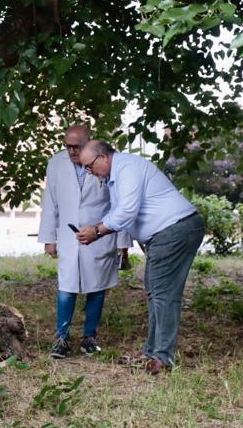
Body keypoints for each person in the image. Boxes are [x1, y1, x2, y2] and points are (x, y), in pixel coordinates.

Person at [77, 139, 205, 375]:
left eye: (89, 165)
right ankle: (153, 352)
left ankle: (162, 358)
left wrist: (96, 231)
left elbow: (126, 212)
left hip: (174, 229)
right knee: (156, 292)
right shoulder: (116, 176)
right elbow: (121, 213)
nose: (89, 171)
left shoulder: (127, 168)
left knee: (162, 294)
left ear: (103, 157)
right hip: (168, 232)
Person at [37, 125, 131, 359]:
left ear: (89, 142)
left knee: (96, 286)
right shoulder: (56, 163)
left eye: (76, 147)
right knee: (66, 287)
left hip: (101, 233)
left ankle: (89, 337)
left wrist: (123, 242)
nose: (71, 151)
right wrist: (49, 238)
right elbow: (50, 202)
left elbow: (121, 205)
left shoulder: (107, 163)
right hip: (68, 234)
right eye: (67, 146)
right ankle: (61, 338)